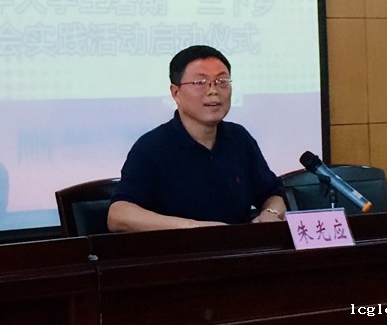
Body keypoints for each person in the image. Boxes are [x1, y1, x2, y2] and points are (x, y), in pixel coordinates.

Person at [107, 45, 286, 232]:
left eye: (222, 81)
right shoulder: (152, 147)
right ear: (175, 92)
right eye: (200, 82)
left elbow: (273, 194)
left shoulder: (239, 138)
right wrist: (194, 229)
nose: (213, 91)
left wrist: (271, 213)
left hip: (237, 248)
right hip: (180, 249)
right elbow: (118, 215)